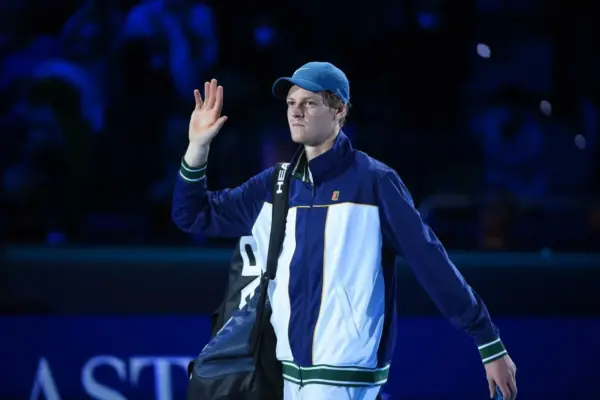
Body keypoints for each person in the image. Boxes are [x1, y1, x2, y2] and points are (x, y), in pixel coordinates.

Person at [171, 62, 518, 400]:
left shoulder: (375, 182)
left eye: (309, 103)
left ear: (339, 110)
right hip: (287, 375)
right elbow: (192, 215)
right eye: (291, 103)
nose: (296, 112)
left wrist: (487, 339)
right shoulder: (274, 185)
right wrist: (198, 146)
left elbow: (431, 262)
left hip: (346, 376)